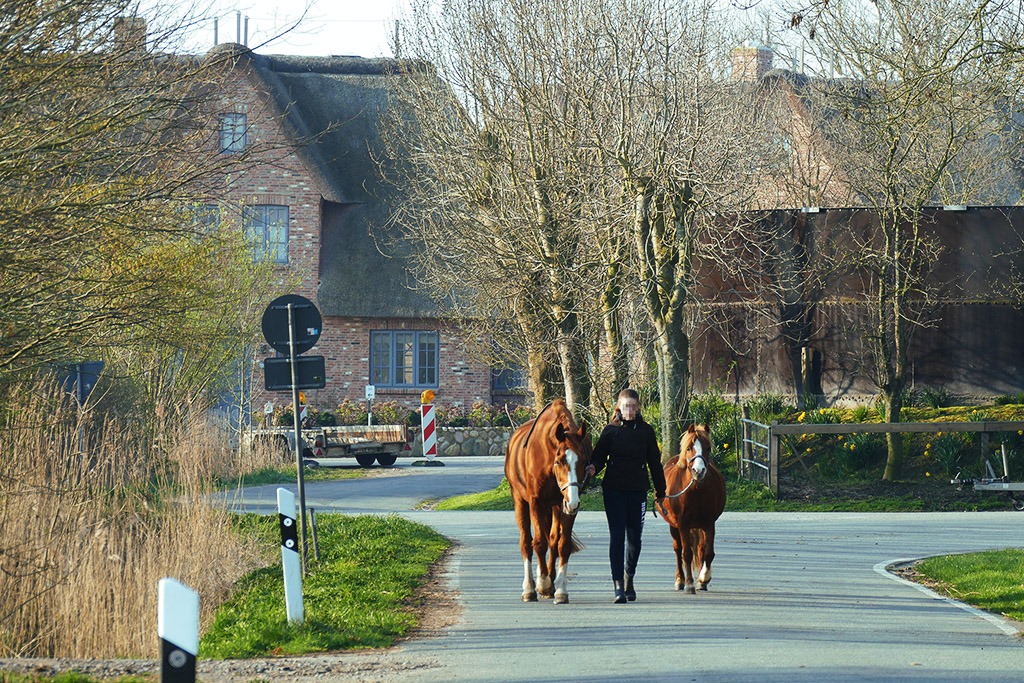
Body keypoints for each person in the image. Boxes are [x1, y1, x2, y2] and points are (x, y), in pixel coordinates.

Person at [586, 388, 666, 603]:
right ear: (618, 408)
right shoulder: (610, 431)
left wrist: (661, 492)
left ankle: (629, 577)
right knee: (617, 538)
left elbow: (655, 464)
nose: (629, 410)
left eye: (632, 406)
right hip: (614, 490)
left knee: (635, 540)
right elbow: (599, 457)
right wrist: (593, 467)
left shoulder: (646, 432)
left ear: (638, 407)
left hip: (638, 491)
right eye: (625, 406)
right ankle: (618, 586)